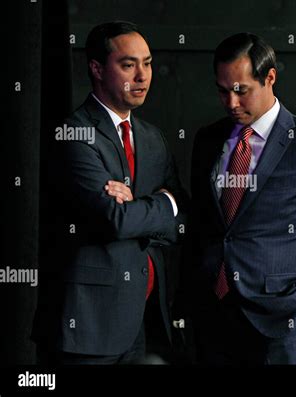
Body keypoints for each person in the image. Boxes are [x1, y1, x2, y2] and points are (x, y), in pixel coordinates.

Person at [189, 33, 296, 365]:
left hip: (283, 324)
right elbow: (203, 225)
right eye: (223, 91)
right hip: (214, 320)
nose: (231, 103)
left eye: (241, 90)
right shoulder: (208, 139)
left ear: (270, 78)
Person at [32, 21, 187, 364]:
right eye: (129, 64)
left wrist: (143, 207)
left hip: (140, 324)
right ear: (97, 69)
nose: (143, 75)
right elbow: (114, 220)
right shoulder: (73, 134)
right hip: (86, 328)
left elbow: (181, 221)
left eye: (147, 63)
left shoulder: (152, 139)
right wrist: (162, 204)